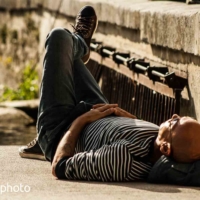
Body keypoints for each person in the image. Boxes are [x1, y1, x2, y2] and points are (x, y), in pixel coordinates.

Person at [19, 6, 200, 181]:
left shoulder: (124, 160)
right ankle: (80, 46)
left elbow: (60, 167)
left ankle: (81, 43)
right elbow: (132, 138)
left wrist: (82, 120)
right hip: (97, 112)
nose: (174, 116)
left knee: (58, 38)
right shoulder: (159, 140)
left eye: (176, 123)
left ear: (166, 149)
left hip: (60, 130)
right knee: (67, 55)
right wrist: (130, 119)